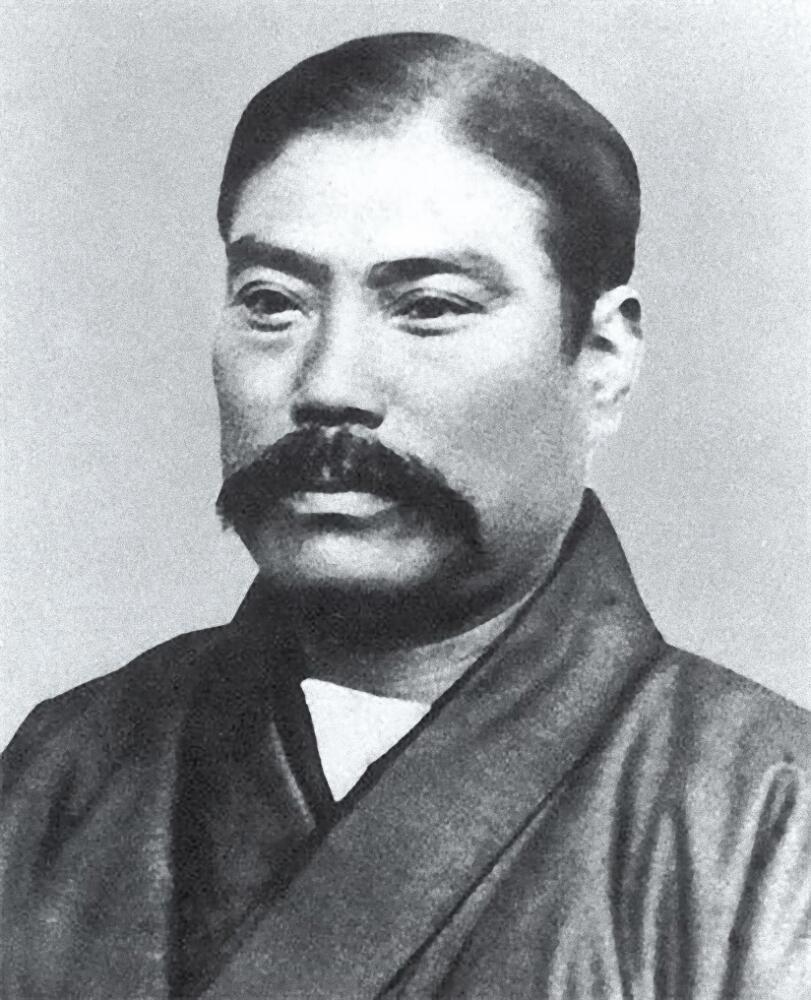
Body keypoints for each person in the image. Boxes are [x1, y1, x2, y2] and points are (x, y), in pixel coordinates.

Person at [1, 32, 808, 1000]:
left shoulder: (769, 817)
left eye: (427, 306)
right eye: (272, 301)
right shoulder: (66, 766)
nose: (329, 383)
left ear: (600, 359)